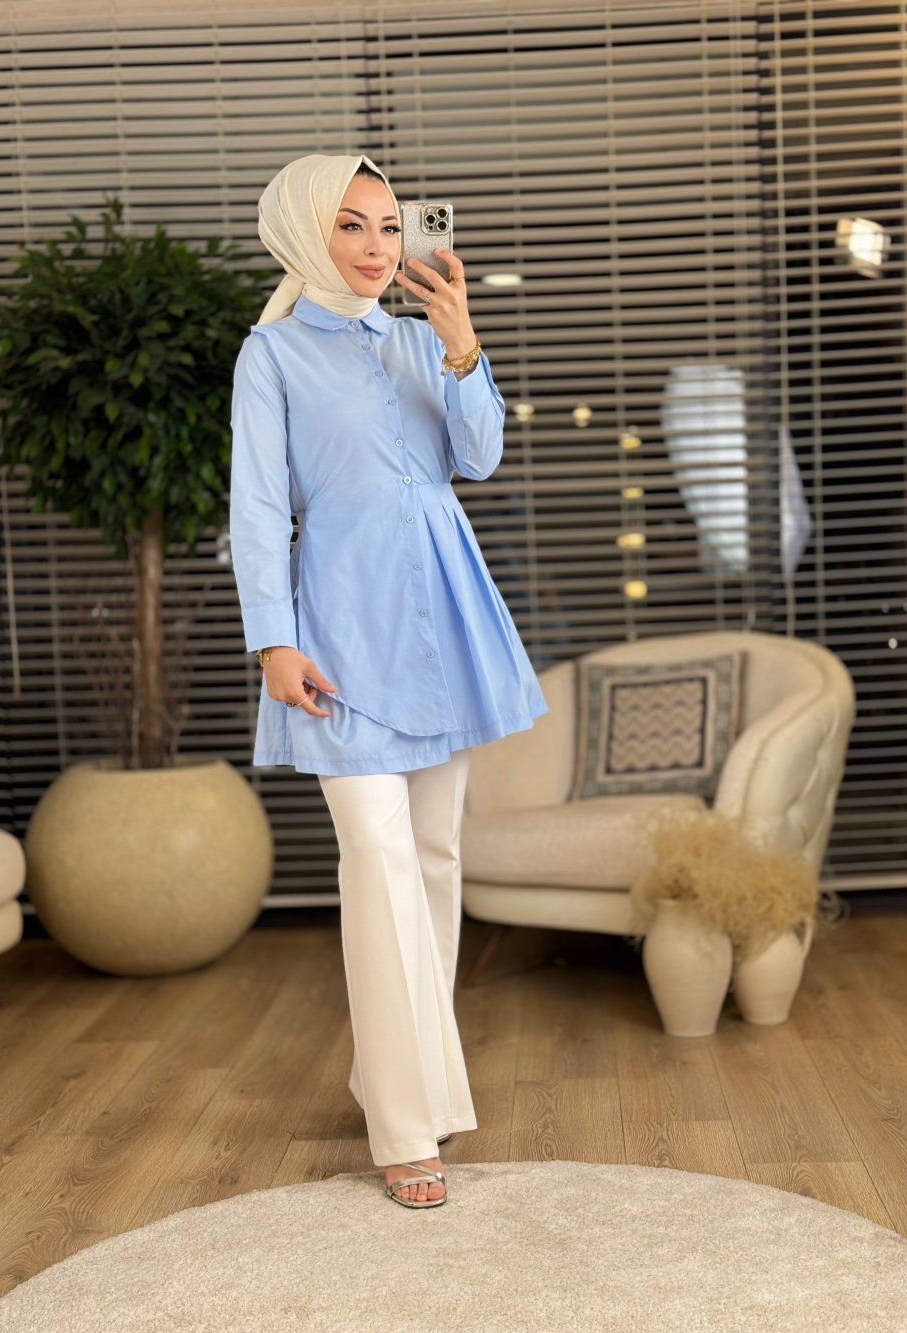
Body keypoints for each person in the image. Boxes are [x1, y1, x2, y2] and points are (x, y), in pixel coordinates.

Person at [228, 153, 549, 1209]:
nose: (377, 247)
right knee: (376, 861)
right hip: (340, 631)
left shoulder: (420, 342)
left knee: (435, 859)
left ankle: (401, 1076)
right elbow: (256, 505)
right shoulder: (272, 354)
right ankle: (405, 1127)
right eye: (351, 225)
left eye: (388, 225)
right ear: (303, 232)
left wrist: (463, 346)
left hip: (444, 621)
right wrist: (273, 642)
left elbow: (479, 458)